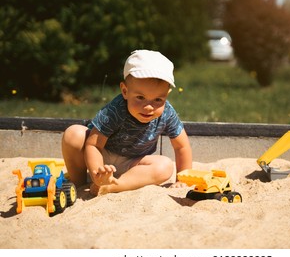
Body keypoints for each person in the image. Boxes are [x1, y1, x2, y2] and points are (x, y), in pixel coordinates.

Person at [61, 50, 192, 196]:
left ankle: (114, 186)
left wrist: (182, 178)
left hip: (133, 163)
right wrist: (97, 174)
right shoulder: (116, 110)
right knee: (74, 134)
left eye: (158, 100)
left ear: (166, 95)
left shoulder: (167, 113)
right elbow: (94, 145)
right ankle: (80, 184)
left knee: (165, 166)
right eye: (140, 97)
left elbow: (182, 146)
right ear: (125, 91)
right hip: (102, 155)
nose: (149, 107)